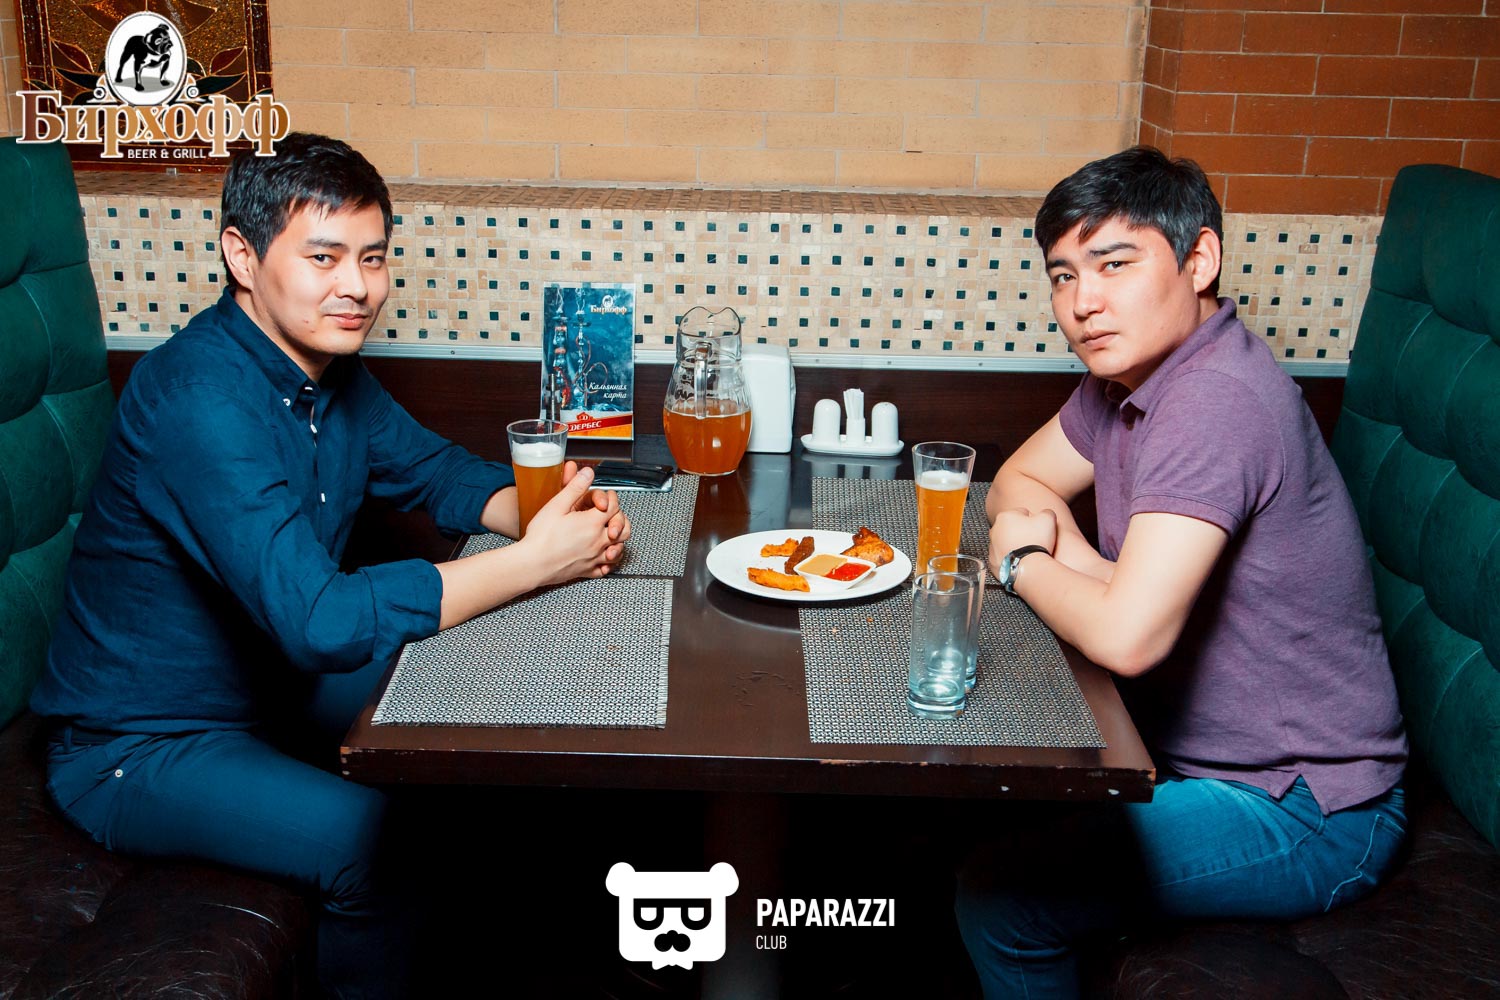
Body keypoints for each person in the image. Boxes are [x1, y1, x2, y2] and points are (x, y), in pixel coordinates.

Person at [31, 132, 629, 1000]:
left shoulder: (327, 372)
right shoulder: (198, 397)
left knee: (496, 703)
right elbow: (322, 621)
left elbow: (437, 473)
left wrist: (552, 514)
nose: (357, 286)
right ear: (243, 257)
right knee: (378, 841)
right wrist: (536, 562)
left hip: (267, 686)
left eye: (372, 258)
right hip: (134, 745)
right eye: (323, 257)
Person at [958, 146, 1408, 998]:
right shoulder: (1130, 376)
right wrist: (1095, 573)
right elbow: (1018, 482)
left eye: (1114, 265)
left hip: (1308, 810)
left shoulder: (1216, 399)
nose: (1082, 303)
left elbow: (1126, 639)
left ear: (1199, 261)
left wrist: (1020, 562)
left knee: (1000, 900)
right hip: (1192, 757)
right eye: (1062, 276)